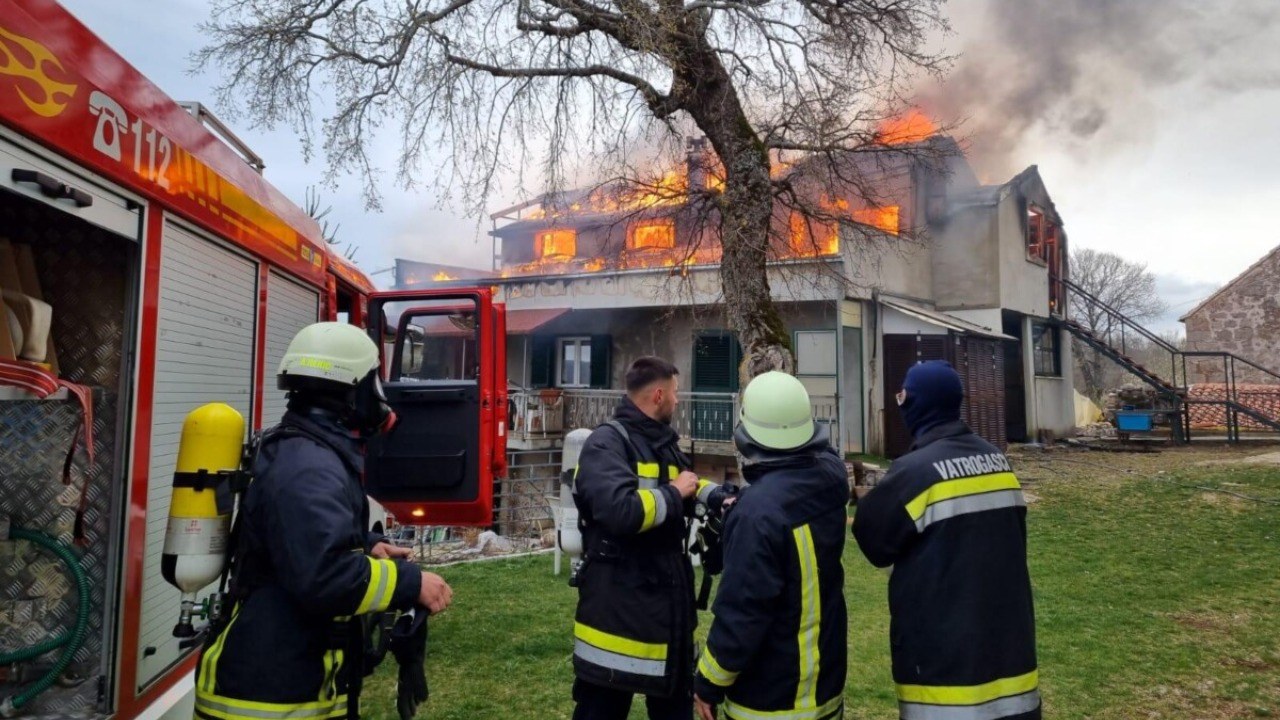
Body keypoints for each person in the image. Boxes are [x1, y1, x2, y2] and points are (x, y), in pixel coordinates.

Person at [195, 322, 453, 720]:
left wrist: (366, 545)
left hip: (283, 680)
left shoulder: (305, 452)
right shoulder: (310, 467)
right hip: (269, 698)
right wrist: (411, 583)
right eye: (372, 383)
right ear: (350, 392)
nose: (378, 397)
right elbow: (324, 576)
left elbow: (296, 539)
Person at [853, 360, 1039, 720]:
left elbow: (872, 538)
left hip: (944, 674)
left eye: (903, 397)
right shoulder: (999, 462)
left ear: (917, 404)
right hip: (1011, 661)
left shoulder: (914, 473)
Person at [570, 356, 728, 720]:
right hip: (618, 618)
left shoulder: (662, 443)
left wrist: (720, 496)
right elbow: (619, 511)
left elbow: (687, 482)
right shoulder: (606, 444)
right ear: (658, 395)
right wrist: (673, 493)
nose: (678, 400)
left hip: (667, 612)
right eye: (675, 393)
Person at [693, 371, 849, 720]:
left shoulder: (757, 514)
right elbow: (814, 460)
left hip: (769, 700)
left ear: (747, 434)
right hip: (824, 688)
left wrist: (707, 682)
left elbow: (741, 614)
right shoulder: (832, 477)